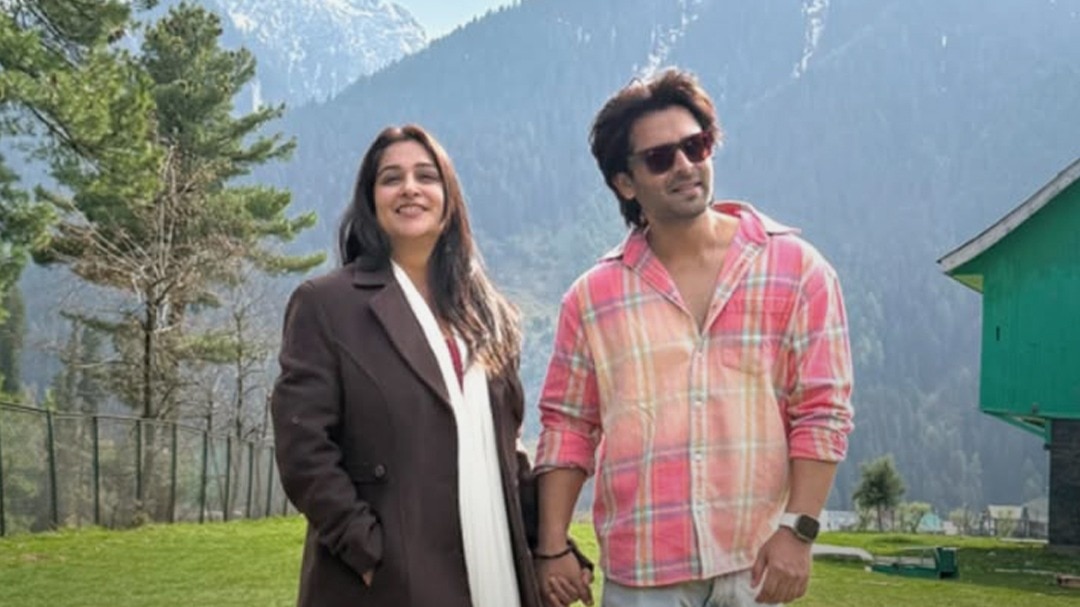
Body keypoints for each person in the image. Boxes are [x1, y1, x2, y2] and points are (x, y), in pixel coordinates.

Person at [532, 68, 855, 607]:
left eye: (696, 146)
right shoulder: (591, 299)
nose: (684, 165)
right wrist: (552, 547)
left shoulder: (799, 270)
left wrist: (799, 530)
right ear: (625, 183)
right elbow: (568, 426)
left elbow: (823, 411)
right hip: (643, 574)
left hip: (757, 566)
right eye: (660, 158)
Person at [270, 124, 544, 607]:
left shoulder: (489, 313)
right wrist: (366, 548)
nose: (410, 188)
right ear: (371, 200)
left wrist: (547, 544)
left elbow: (508, 446)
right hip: (389, 577)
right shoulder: (327, 305)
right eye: (391, 178)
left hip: (495, 563)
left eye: (426, 176)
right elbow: (304, 447)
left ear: (449, 198)